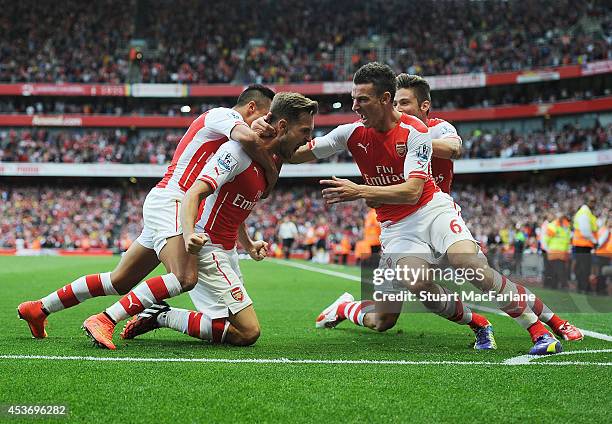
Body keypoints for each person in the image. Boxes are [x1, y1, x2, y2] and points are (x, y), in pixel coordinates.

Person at [276, 62, 581, 354]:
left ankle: (539, 331)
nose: (355, 106)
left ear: (385, 99)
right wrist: (267, 139)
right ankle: (477, 322)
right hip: (397, 227)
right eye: (353, 99)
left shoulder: (417, 130)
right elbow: (298, 153)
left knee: (472, 266)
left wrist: (360, 190)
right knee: (409, 291)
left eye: (362, 100)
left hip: (432, 209)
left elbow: (412, 191)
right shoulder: (351, 133)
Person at [17, 85, 276, 339]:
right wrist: (272, 168)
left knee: (118, 281)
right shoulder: (224, 115)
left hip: (169, 202)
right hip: (175, 200)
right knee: (184, 277)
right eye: (266, 118)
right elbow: (250, 138)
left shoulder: (231, 141)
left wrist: (248, 242)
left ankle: (39, 308)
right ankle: (106, 319)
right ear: (251, 107)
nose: (268, 126)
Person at [83, 92, 318, 349]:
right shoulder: (235, 151)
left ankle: (157, 315)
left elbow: (235, 206)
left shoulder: (272, 160)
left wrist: (248, 243)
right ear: (282, 126)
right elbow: (194, 192)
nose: (308, 139)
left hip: (228, 251)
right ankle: (115, 317)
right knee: (248, 332)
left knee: (232, 328)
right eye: (304, 131)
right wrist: (188, 234)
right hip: (209, 245)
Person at [393, 74, 462, 194]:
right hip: (399, 210)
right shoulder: (388, 132)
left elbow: (455, 149)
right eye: (394, 104)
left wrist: (413, 142)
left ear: (424, 106)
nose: (397, 109)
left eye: (404, 103)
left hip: (437, 210)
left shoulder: (438, 127)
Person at [572, 196, 598, 293]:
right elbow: (585, 231)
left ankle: (581, 287)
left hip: (583, 244)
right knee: (584, 267)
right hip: (583, 244)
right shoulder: (585, 213)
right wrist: (594, 241)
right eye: (592, 201)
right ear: (587, 202)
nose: (594, 203)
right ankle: (583, 287)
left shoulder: (585, 212)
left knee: (582, 267)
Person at [544, 212, 572, 290]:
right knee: (560, 269)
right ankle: (563, 285)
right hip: (555, 251)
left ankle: (554, 285)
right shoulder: (556, 226)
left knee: (556, 270)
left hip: (560, 252)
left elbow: (547, 239)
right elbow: (547, 239)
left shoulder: (564, 226)